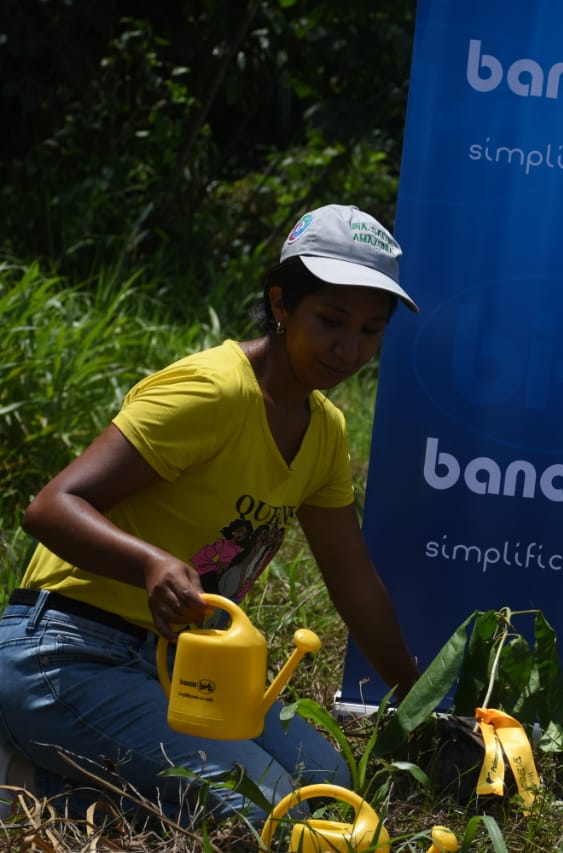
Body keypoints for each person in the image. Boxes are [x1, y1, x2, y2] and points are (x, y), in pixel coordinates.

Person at [0, 204, 422, 824]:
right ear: (281, 304)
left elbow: (355, 587)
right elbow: (50, 508)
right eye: (330, 320)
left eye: (370, 330)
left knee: (327, 784)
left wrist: (420, 706)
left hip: (184, 664)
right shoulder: (213, 391)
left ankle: (40, 778)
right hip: (65, 650)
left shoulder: (324, 430)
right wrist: (148, 564)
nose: (349, 348)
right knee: (277, 813)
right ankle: (24, 784)